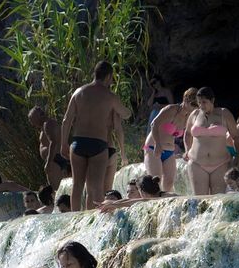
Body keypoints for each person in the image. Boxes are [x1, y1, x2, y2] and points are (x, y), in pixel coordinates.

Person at [61, 61, 132, 211]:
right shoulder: (110, 96)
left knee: (77, 185)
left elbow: (66, 120)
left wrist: (63, 144)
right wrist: (127, 111)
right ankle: (96, 220)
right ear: (108, 76)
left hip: (78, 143)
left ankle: (73, 218)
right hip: (99, 144)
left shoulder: (78, 92)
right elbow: (125, 114)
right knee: (96, 187)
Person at [184, 87, 239, 196]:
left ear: (212, 100)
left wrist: (238, 154)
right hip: (197, 163)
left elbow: (236, 137)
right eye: (199, 102)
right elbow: (187, 134)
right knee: (199, 200)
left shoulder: (224, 113)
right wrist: (187, 150)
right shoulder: (194, 114)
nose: (201, 105)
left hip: (220, 163)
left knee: (217, 198)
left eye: (204, 102)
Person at [143, 88, 197, 193]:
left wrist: (187, 150)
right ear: (185, 99)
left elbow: (187, 134)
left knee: (169, 183)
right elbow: (154, 124)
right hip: (153, 147)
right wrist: (158, 145)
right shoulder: (171, 109)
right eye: (193, 104)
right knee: (155, 182)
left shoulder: (188, 117)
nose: (195, 107)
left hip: (169, 150)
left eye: (197, 105)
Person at [28, 107, 70, 190]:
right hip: (56, 159)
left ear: (37, 117)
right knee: (61, 188)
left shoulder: (48, 124)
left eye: (31, 119)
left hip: (55, 159)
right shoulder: (46, 125)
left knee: (57, 189)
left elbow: (53, 142)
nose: (31, 122)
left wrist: (49, 162)